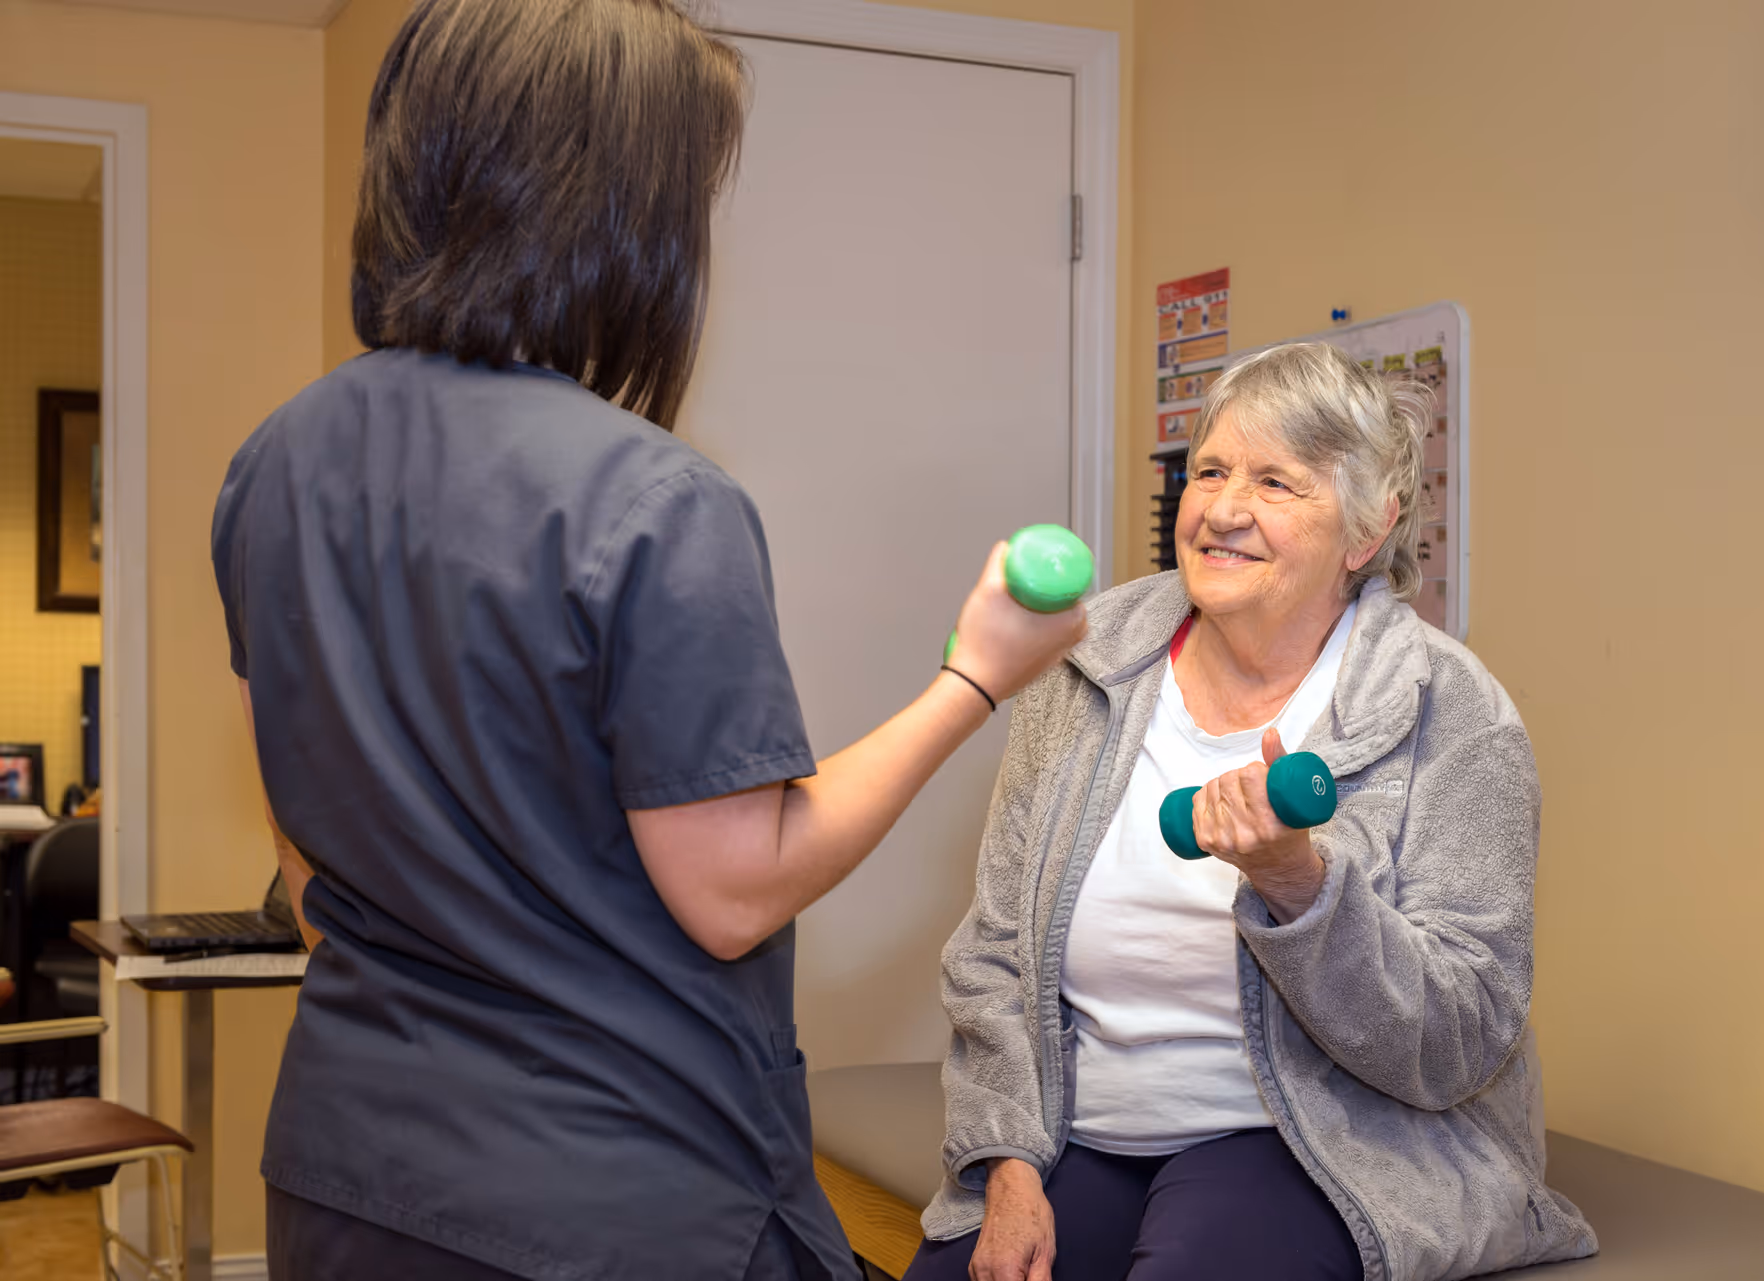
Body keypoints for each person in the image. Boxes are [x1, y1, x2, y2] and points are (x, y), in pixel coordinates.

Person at [211, 3, 1083, 1278]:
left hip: (351, 1177)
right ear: (611, 210)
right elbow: (734, 890)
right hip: (613, 1201)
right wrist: (975, 675)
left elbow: (306, 858)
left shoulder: (275, 462)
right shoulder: (657, 502)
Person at [906, 344, 1597, 1281]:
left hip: (1327, 1142)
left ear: (1366, 531)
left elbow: (1464, 1035)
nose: (1224, 509)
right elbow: (993, 949)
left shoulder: (1454, 712)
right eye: (1212, 472)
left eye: (1277, 482)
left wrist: (1300, 888)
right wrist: (1009, 1162)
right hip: (1080, 1125)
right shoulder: (1084, 663)